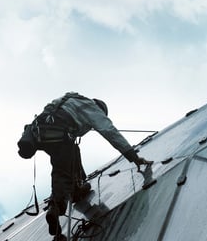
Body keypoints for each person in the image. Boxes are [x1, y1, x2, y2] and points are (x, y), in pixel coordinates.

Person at [21, 92, 151, 239]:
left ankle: (75, 189)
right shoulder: (93, 108)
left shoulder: (71, 99)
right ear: (100, 110)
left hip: (39, 133)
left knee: (69, 156)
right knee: (63, 170)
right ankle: (56, 207)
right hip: (59, 135)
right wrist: (134, 157)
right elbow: (110, 131)